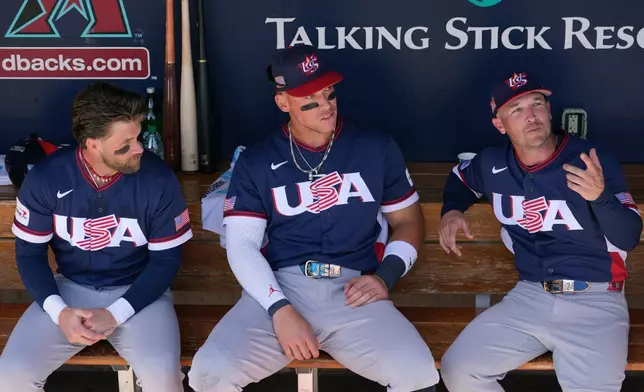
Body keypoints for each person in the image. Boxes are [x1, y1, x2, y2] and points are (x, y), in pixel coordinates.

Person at [188, 45, 440, 392]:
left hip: (353, 292)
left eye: (329, 93)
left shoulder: (374, 147)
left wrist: (385, 277)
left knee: (418, 372)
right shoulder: (258, 161)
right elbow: (242, 243)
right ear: (283, 102)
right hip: (279, 288)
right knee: (209, 372)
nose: (326, 105)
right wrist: (280, 309)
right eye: (310, 98)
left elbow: (408, 220)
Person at [438, 71, 643, 392]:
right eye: (516, 110)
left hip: (596, 300)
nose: (530, 116)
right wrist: (452, 210)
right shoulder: (492, 163)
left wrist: (600, 198)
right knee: (459, 369)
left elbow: (629, 236)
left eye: (537, 104)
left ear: (550, 110)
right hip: (529, 297)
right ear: (500, 124)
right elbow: (461, 178)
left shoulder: (591, 159)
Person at [0, 82, 193, 392]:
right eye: (125, 143)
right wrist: (58, 312)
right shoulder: (47, 178)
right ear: (92, 144)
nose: (139, 148)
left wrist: (116, 313)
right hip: (70, 290)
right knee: (11, 374)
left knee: (163, 379)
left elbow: (166, 260)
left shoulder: (157, 178)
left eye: (137, 137)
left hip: (140, 294)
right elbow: (29, 254)